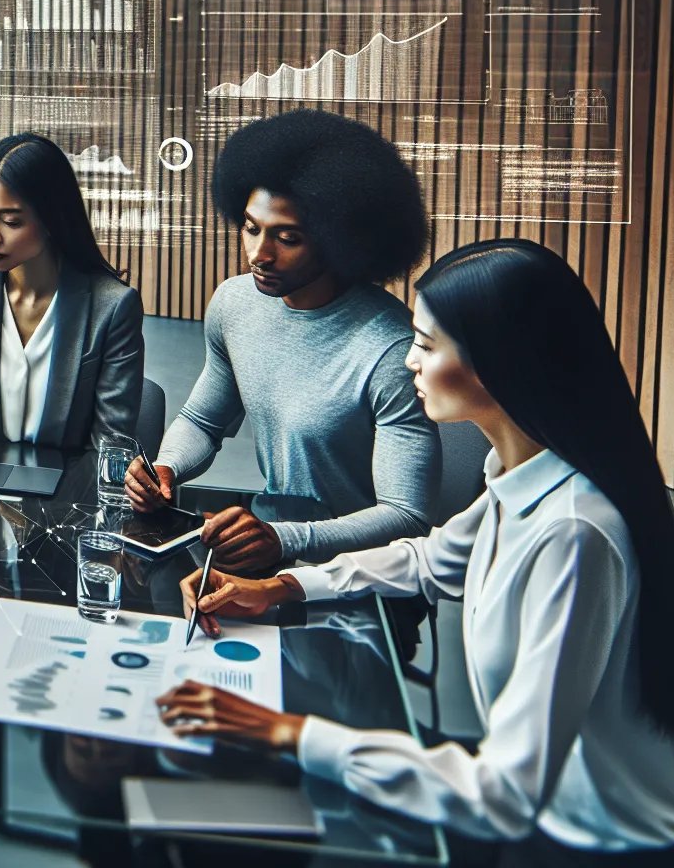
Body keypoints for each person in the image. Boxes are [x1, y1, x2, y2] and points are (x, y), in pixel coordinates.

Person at [157, 239, 674, 866]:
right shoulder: (521, 473)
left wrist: (287, 732)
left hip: (607, 844)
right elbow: (429, 559)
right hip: (556, 813)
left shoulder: (575, 532)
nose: (409, 361)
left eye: (424, 342)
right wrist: (282, 587)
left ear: (499, 360)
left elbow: (503, 795)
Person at [125, 109, 440, 571]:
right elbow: (203, 421)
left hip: (361, 581)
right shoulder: (235, 305)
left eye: (287, 238)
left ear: (340, 240)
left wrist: (284, 538)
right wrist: (166, 469)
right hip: (270, 558)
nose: (259, 254)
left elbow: (406, 515)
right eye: (252, 228)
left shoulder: (392, 351)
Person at [0, 133, 143, 459]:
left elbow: (111, 446)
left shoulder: (112, 307)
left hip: (64, 496)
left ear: (51, 219)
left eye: (11, 220)